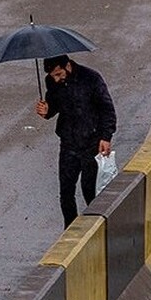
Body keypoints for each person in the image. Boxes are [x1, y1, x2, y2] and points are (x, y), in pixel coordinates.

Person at [35, 55, 117, 227]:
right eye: (53, 76)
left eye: (58, 74)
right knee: (66, 192)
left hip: (91, 143)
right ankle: (70, 228)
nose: (56, 79)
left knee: (90, 190)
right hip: (68, 143)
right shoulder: (52, 81)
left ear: (68, 65)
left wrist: (106, 137)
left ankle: (96, 228)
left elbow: (107, 109)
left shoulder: (91, 78)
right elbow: (54, 105)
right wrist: (47, 111)